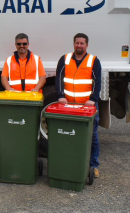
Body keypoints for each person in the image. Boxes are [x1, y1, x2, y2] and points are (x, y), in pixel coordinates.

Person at [55, 33, 102, 178]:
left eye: (82, 43)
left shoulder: (93, 61)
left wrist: (93, 99)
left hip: (87, 106)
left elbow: (97, 81)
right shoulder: (65, 59)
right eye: (77, 43)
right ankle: (70, 161)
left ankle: (93, 165)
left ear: (86, 45)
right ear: (73, 44)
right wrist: (61, 96)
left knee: (92, 136)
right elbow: (59, 78)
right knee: (69, 135)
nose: (79, 46)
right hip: (68, 105)